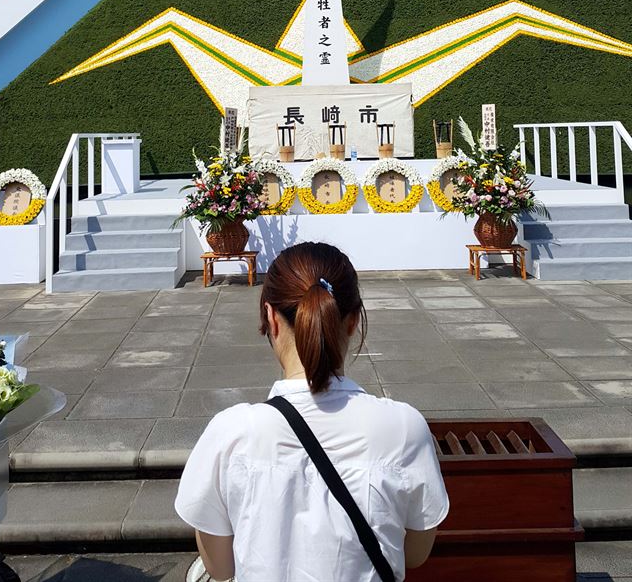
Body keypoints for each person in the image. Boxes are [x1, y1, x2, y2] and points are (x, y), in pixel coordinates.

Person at [175, 241, 449, 581]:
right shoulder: (404, 428)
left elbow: (219, 567)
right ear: (353, 321)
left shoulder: (231, 433)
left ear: (270, 318)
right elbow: (415, 554)